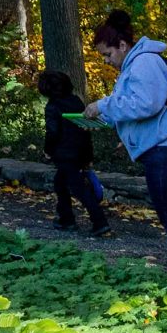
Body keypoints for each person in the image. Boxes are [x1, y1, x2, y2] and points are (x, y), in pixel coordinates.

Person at [85, 10, 167, 276]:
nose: (107, 61)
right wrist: (129, 135)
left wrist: (102, 104)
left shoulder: (143, 63)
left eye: (108, 54)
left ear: (122, 45)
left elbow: (146, 104)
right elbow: (150, 109)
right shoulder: (140, 63)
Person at [39, 70, 111, 235]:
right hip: (80, 151)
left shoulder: (52, 106)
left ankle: (99, 221)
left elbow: (52, 132)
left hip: (64, 154)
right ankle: (66, 218)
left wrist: (48, 150)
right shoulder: (76, 101)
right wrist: (88, 155)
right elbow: (85, 129)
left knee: (78, 188)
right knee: (60, 183)